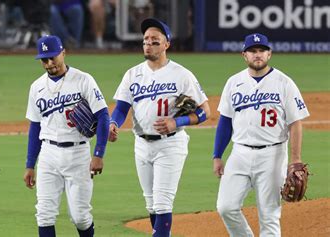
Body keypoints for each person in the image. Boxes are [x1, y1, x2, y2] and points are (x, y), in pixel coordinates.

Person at [108, 18, 210, 237]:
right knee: (151, 204)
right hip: (141, 145)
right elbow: (121, 108)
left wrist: (177, 121)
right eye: (146, 39)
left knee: (163, 203)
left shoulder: (182, 75)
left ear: (166, 44)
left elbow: (205, 112)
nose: (149, 43)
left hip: (170, 144)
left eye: (155, 40)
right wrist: (113, 123)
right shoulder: (132, 74)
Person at [212, 33, 309, 236]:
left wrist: (296, 160)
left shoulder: (284, 83)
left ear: (269, 54)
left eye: (261, 51)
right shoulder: (233, 82)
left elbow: (295, 123)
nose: (257, 55)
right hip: (239, 154)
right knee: (226, 207)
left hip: (272, 155)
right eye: (252, 51)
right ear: (244, 55)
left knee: (269, 216)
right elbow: (225, 122)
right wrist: (217, 155)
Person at [23, 35, 109, 237]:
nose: (49, 63)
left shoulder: (83, 80)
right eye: (44, 59)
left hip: (78, 153)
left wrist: (99, 153)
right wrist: (29, 164)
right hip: (48, 155)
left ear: (63, 53)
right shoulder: (36, 87)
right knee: (44, 214)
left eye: (53, 57)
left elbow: (103, 116)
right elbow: (35, 127)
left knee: (80, 217)